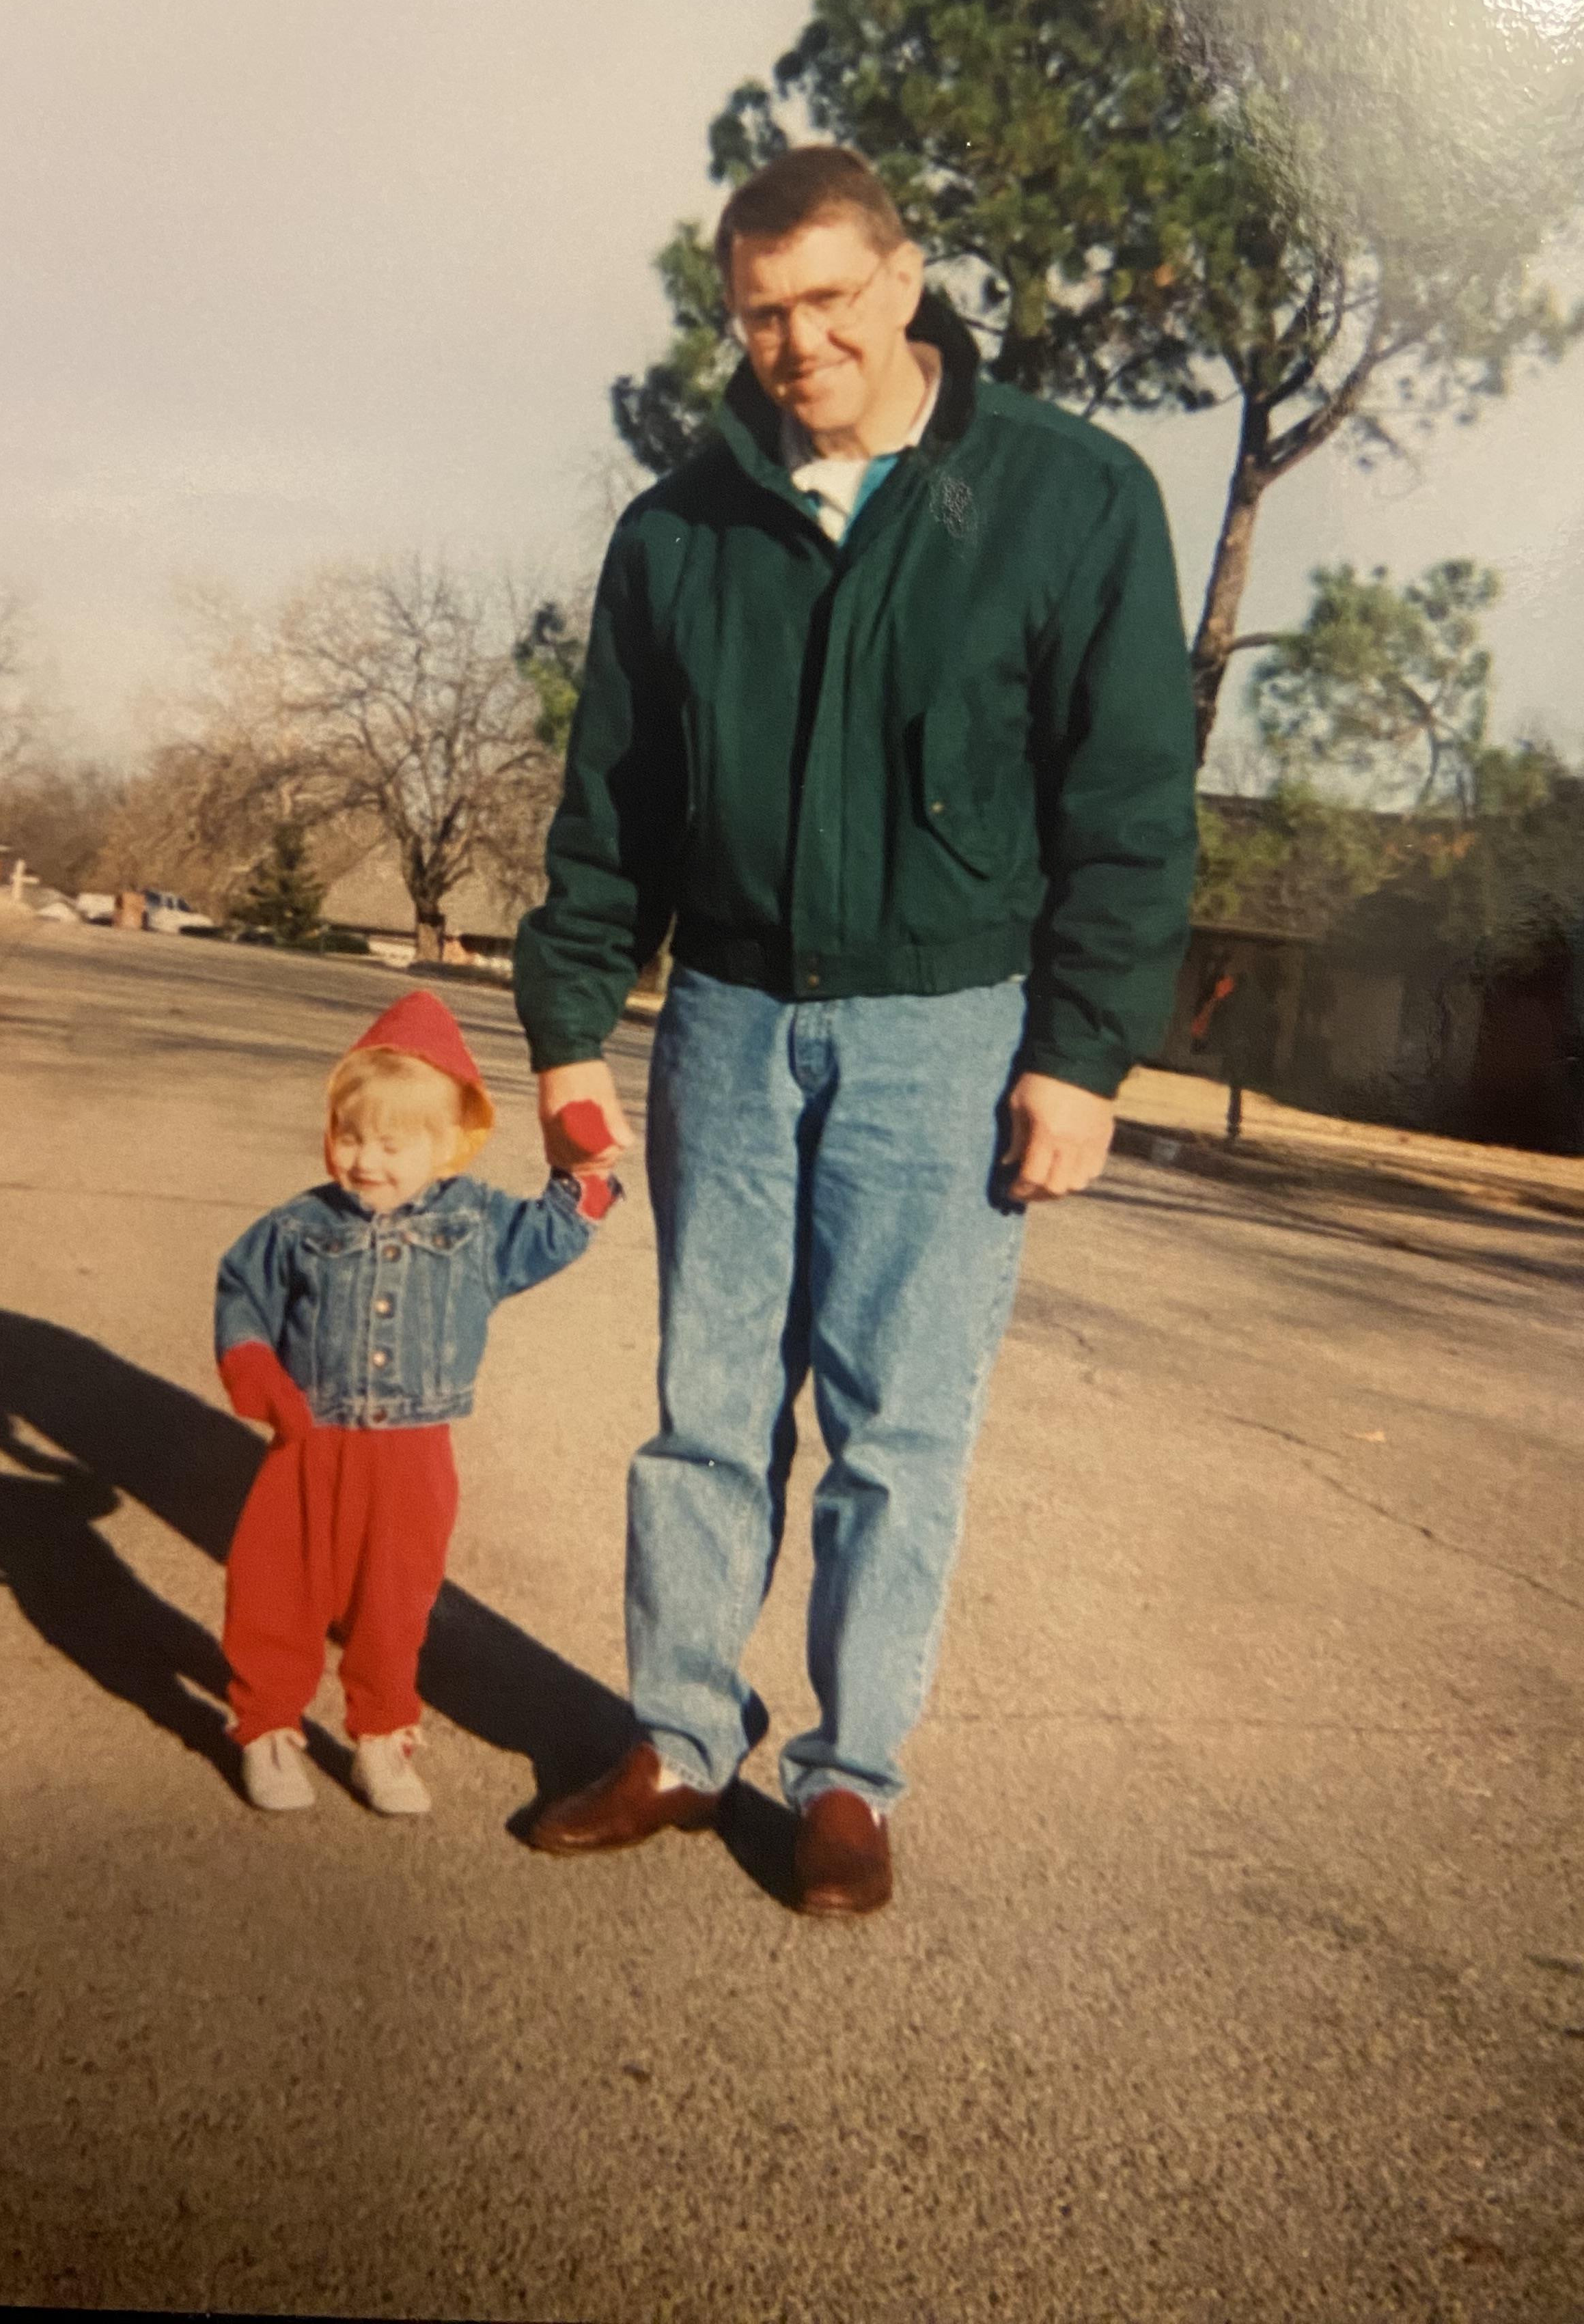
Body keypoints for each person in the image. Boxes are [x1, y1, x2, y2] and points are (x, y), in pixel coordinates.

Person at [513, 145, 1199, 1916]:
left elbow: (1127, 798)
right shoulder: (679, 531)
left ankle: (849, 1780)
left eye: (828, 301)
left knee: (897, 1428)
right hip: (729, 1024)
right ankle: (677, 1735)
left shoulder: (1067, 496)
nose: (797, 343)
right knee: (707, 1411)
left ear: (903, 284)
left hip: (950, 1032)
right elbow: (615, 810)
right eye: (761, 315)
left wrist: (1084, 1053)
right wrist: (572, 1030)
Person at [214, 989, 617, 1817]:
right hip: (308, 1438)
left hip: (414, 1451)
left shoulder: (474, 1224)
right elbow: (241, 1288)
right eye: (350, 1137)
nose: (365, 1161)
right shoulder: (300, 1224)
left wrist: (584, 1166)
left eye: (392, 1145)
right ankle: (267, 1726)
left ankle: (381, 1732)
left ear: (447, 1147)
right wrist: (253, 1366)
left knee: (394, 1599)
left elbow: (557, 1228)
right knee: (277, 1589)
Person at [1191, 960, 1273, 1144]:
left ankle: (1233, 1119)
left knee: (1235, 1084)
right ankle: (1233, 1119)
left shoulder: (1236, 997)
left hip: (1237, 1045)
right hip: (1241, 1045)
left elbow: (1225, 1016)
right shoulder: (1251, 998)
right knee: (1236, 1084)